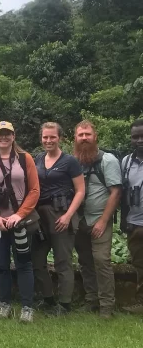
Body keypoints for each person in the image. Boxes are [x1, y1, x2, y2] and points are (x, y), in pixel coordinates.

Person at [0, 121, 40, 323]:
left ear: (13, 136)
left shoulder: (24, 158)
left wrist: (19, 215)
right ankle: (5, 304)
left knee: (24, 263)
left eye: (7, 134)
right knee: (0, 264)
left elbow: (35, 190)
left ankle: (27, 306)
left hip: (20, 221)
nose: (3, 137)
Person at [32, 122, 85, 316]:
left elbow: (80, 191)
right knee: (36, 260)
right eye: (45, 137)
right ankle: (48, 299)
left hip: (61, 213)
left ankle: (64, 304)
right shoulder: (37, 159)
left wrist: (68, 215)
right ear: (41, 139)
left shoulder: (70, 161)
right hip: (40, 216)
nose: (48, 140)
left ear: (60, 138)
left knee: (63, 262)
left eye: (52, 137)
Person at [73, 120, 121, 318]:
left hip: (99, 220)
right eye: (80, 135)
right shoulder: (73, 161)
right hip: (80, 220)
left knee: (101, 260)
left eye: (88, 135)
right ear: (75, 139)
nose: (84, 138)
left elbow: (116, 192)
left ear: (95, 136)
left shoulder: (108, 160)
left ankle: (107, 306)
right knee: (85, 261)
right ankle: (91, 299)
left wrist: (103, 221)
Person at [121, 118, 143, 314]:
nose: (139, 140)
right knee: (139, 265)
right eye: (135, 137)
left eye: (142, 136)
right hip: (134, 223)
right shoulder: (126, 162)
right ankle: (141, 303)